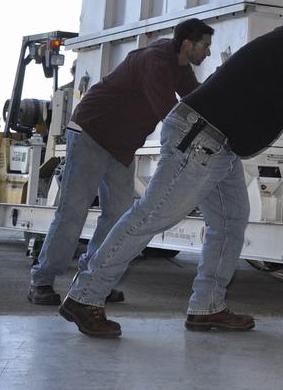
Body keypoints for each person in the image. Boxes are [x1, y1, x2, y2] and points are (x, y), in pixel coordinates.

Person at [58, 1, 283, 338]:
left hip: (218, 146)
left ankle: (206, 306)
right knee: (151, 216)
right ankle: (85, 296)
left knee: (229, 221)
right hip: (201, 140)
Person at [27, 19, 213, 306]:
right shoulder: (156, 62)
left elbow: (194, 100)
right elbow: (171, 114)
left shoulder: (180, 67)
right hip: (91, 133)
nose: (208, 53)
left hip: (120, 147)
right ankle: (42, 280)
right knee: (73, 211)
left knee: (118, 215)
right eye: (205, 46)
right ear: (188, 45)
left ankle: (93, 278)